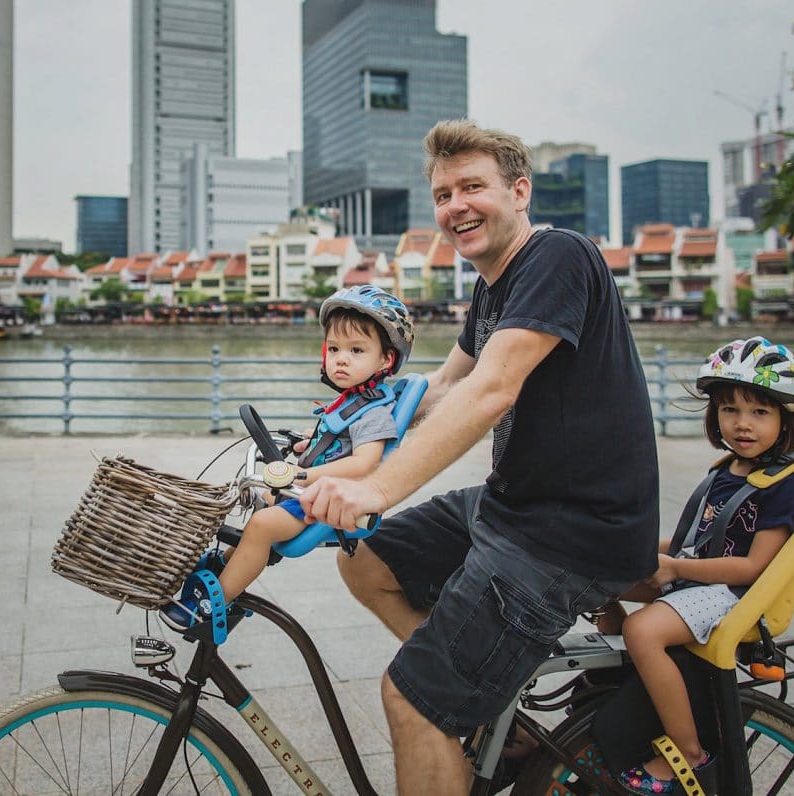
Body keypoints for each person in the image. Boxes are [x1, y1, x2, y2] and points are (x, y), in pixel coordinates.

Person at [299, 119, 660, 795]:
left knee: (414, 701)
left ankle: (451, 702)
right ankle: (487, 698)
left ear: (519, 192)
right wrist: (329, 449)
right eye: (443, 194)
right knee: (366, 558)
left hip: (570, 537)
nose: (455, 206)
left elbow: (492, 389)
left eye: (473, 187)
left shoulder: (558, 258)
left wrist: (376, 489)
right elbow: (440, 392)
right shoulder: (494, 286)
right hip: (514, 508)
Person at [606, 336, 794, 795]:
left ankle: (689, 752)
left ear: (785, 421)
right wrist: (632, 548)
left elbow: (754, 568)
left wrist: (675, 569)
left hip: (733, 595)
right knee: (598, 576)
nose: (742, 424)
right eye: (730, 410)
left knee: (644, 631)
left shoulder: (782, 488)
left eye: (760, 412)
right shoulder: (728, 471)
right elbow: (693, 543)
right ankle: (617, 682)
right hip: (700, 579)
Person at [160, 284, 414, 631]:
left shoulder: (373, 412)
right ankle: (227, 565)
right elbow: (337, 440)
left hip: (328, 500)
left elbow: (365, 462)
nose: (341, 358)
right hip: (309, 492)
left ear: (385, 360)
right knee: (260, 501)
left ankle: (210, 605)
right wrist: (306, 443)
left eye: (357, 350)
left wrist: (303, 475)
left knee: (263, 525)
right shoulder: (352, 403)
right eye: (335, 348)